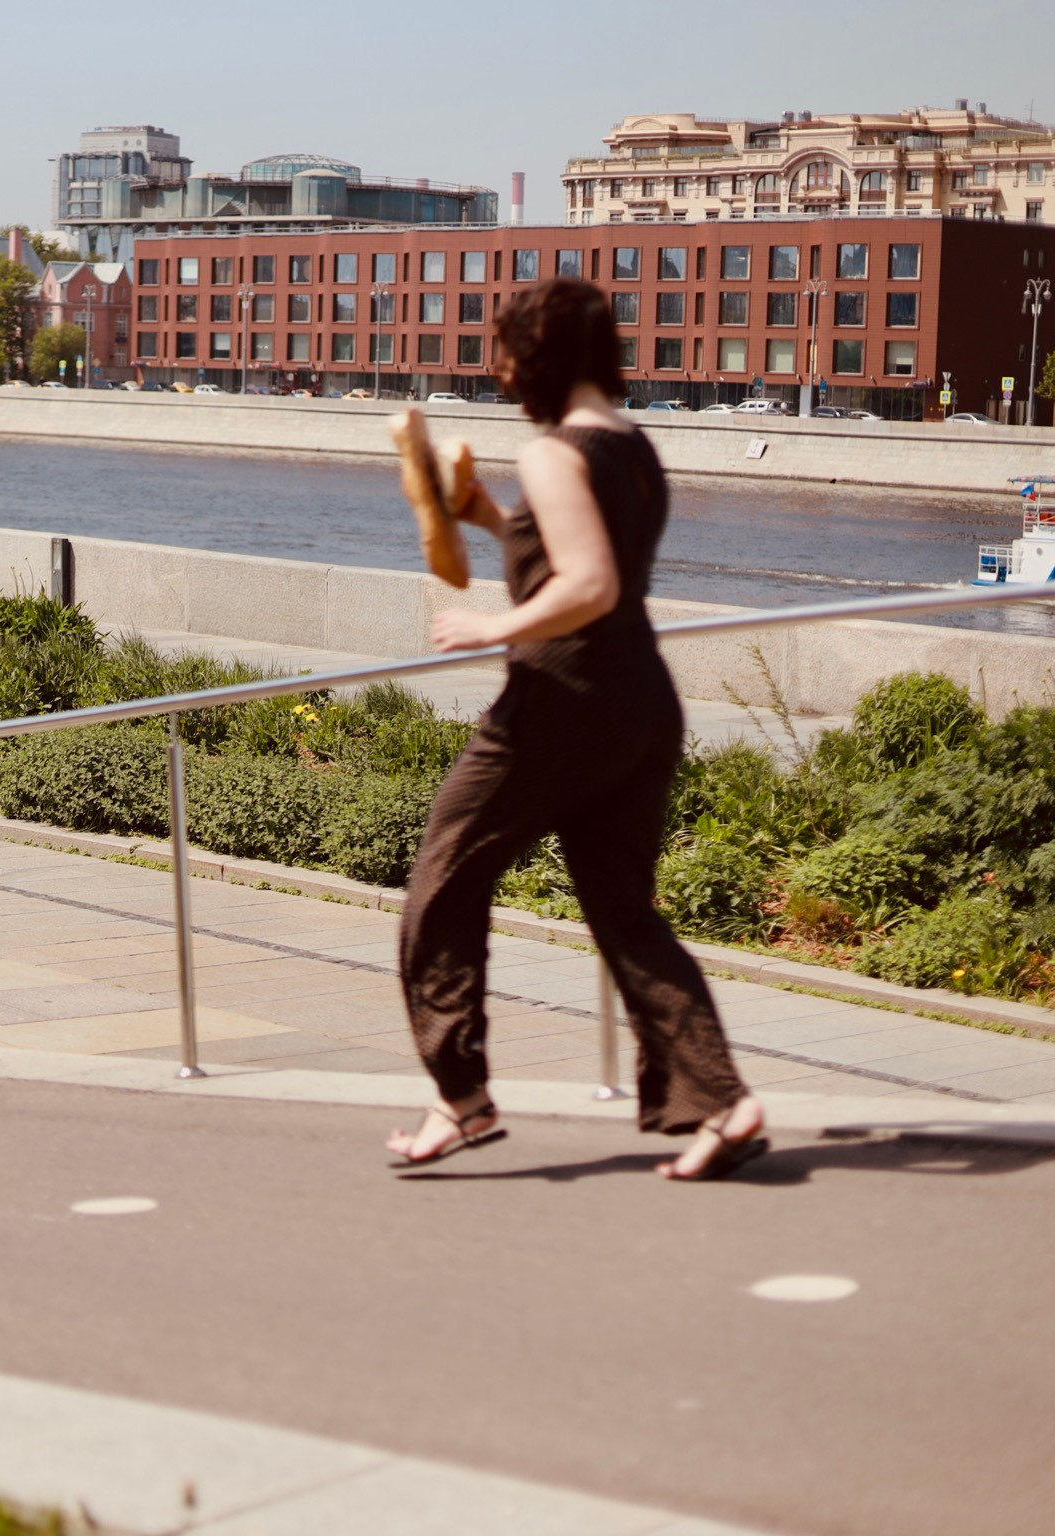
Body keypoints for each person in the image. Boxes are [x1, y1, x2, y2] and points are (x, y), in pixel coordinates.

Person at [386, 278, 767, 1182]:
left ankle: (460, 1093)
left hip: (560, 705)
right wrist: (483, 516)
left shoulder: (554, 453)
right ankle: (723, 1101)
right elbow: (574, 548)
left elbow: (587, 583)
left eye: (507, 350)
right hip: (640, 703)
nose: (499, 368)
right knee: (626, 915)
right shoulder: (633, 445)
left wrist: (491, 627)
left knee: (442, 880)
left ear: (540, 358)